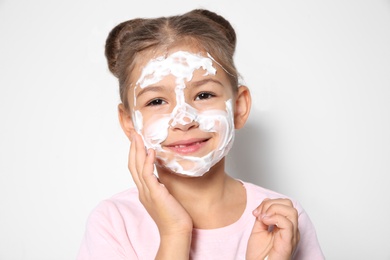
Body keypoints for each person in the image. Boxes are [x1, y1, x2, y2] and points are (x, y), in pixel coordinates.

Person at [77, 9, 324, 260]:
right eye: (157, 101)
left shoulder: (283, 221)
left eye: (204, 95)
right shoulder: (114, 223)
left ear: (239, 107)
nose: (184, 120)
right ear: (129, 123)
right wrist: (175, 233)